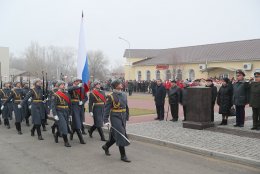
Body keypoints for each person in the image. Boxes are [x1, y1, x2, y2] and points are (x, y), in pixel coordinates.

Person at [102, 79, 131, 163]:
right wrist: (105, 120)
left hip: (123, 116)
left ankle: (106, 146)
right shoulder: (110, 96)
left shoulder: (124, 94)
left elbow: (126, 106)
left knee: (116, 135)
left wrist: (127, 116)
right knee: (121, 134)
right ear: (115, 86)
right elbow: (106, 109)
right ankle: (123, 155)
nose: (121, 84)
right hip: (115, 117)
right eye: (119, 84)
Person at [51, 80, 71, 147]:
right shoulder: (55, 95)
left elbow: (69, 104)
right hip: (59, 112)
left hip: (66, 111)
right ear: (59, 86)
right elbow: (53, 106)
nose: (63, 86)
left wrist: (70, 114)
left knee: (63, 126)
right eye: (62, 84)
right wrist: (55, 115)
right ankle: (66, 142)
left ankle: (56, 135)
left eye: (63, 84)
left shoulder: (67, 94)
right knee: (64, 126)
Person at [68, 78, 87, 144]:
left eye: (79, 81)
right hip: (73, 106)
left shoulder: (82, 89)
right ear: (74, 81)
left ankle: (72, 133)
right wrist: (76, 87)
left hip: (80, 106)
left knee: (78, 121)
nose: (78, 82)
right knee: (77, 121)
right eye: (77, 81)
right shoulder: (71, 87)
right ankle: (81, 139)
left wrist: (83, 101)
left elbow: (86, 97)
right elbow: (68, 90)